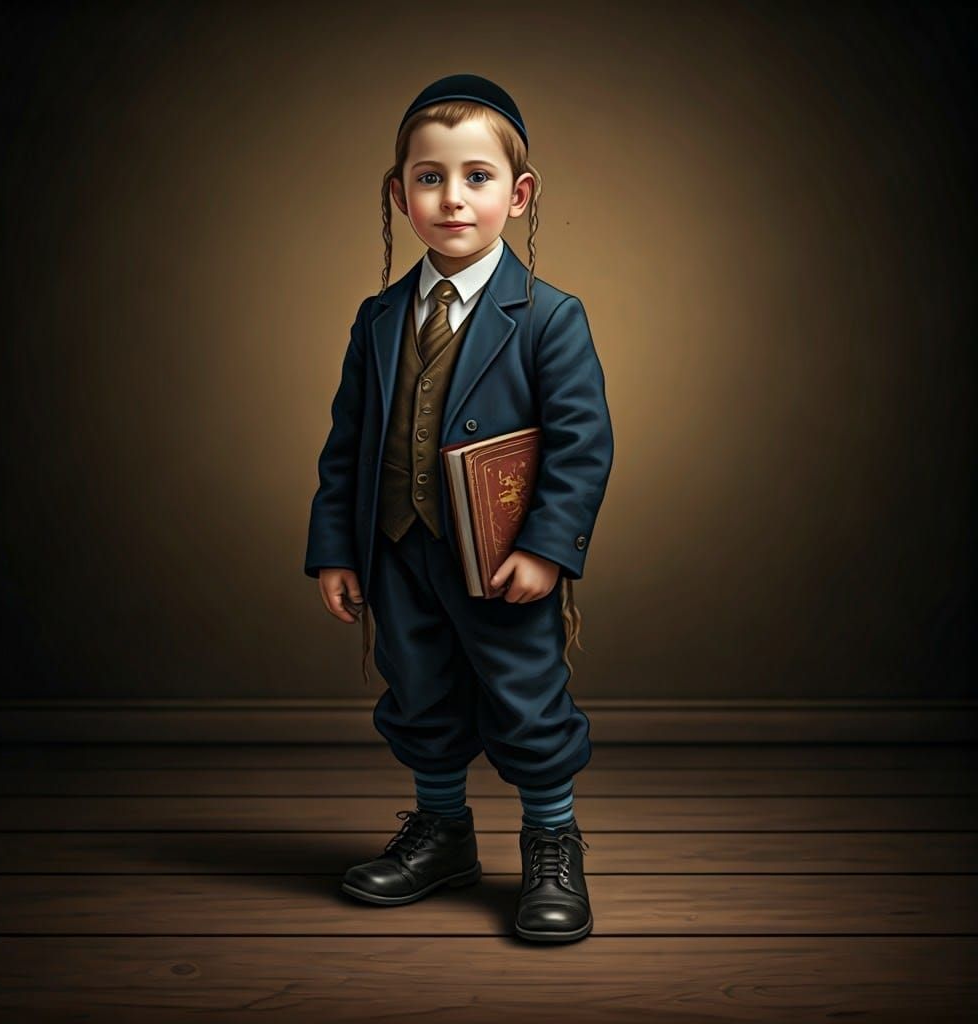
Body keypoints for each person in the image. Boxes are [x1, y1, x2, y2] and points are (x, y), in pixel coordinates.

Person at [304, 74, 613, 943]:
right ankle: (443, 834)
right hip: (397, 552)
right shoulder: (377, 319)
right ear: (399, 193)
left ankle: (553, 839)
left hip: (499, 557)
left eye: (476, 177)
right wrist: (337, 548)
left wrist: (548, 549)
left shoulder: (550, 318)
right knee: (420, 692)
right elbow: (349, 441)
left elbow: (583, 444)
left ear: (517, 196)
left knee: (524, 697)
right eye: (430, 177)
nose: (452, 197)